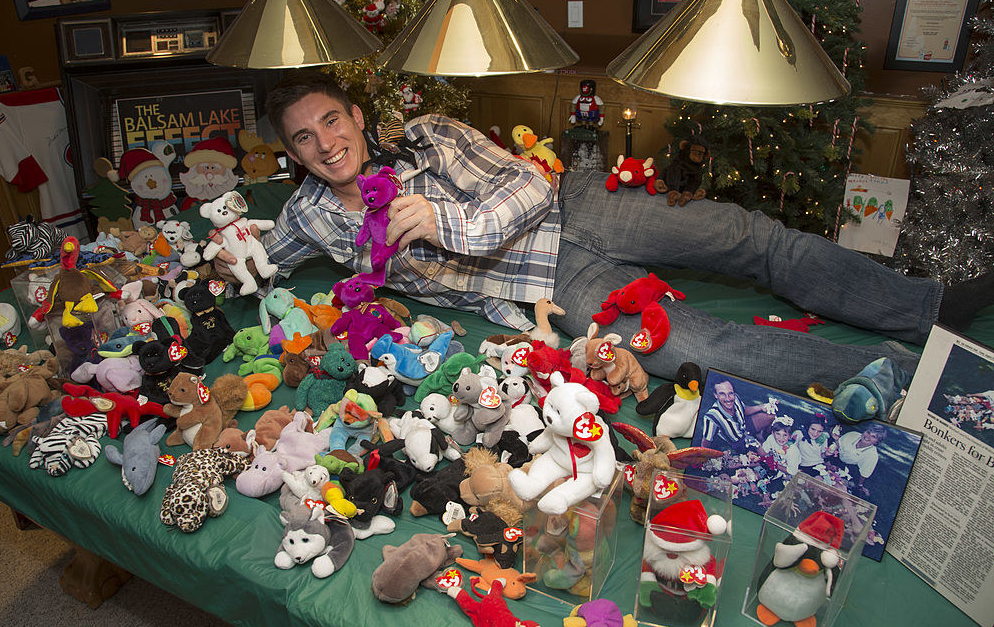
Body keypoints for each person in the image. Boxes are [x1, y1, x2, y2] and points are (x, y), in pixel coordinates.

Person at [211, 69, 994, 394]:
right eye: (304, 138)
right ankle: (904, 376)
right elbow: (254, 257)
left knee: (747, 238)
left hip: (574, 206)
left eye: (331, 121)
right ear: (293, 153)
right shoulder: (309, 212)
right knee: (694, 345)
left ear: (356, 116)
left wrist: (438, 219)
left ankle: (927, 308)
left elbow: (523, 185)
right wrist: (219, 262)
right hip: (545, 283)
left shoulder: (431, 136)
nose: (326, 143)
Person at [696, 378, 772, 453]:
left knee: (771, 416)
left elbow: (744, 410)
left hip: (746, 426)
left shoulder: (735, 398)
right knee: (763, 453)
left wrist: (761, 407)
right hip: (739, 442)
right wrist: (703, 455)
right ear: (716, 395)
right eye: (722, 394)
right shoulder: (712, 417)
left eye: (730, 393)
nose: (728, 398)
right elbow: (706, 441)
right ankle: (758, 441)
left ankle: (761, 436)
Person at [836, 423, 886, 496]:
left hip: (848, 467)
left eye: (873, 436)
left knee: (839, 486)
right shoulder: (852, 435)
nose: (868, 437)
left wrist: (860, 485)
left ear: (876, 442)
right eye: (868, 432)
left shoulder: (872, 456)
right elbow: (837, 444)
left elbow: (864, 473)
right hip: (835, 455)